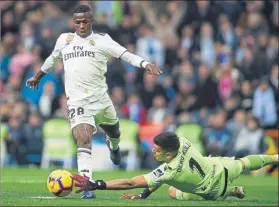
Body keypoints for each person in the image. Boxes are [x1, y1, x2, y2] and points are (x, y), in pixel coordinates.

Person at [25, 5, 162, 199]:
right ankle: (87, 185)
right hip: (77, 102)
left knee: (115, 131)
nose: (81, 25)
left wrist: (145, 63)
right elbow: (52, 59)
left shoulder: (102, 40)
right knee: (83, 138)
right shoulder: (64, 40)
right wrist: (38, 76)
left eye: (85, 21)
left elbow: (125, 54)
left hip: (101, 99)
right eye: (77, 22)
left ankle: (113, 147)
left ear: (91, 21)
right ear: (73, 22)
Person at [72, 132, 278, 201]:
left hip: (213, 192)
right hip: (221, 168)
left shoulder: (168, 170)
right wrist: (145, 194)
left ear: (168, 154)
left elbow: (130, 182)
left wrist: (96, 184)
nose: (154, 151)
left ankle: (232, 191)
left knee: (172, 191)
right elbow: (156, 178)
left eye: (157, 150)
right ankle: (275, 157)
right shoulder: (181, 140)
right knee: (243, 163)